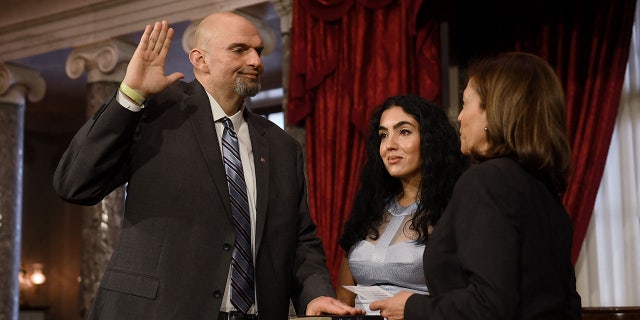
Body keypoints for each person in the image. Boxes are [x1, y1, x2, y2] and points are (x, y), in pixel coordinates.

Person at [53, 12, 363, 319]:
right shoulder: (155, 113)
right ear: (200, 60)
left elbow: (300, 240)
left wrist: (317, 294)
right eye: (240, 50)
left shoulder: (282, 147)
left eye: (259, 51)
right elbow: (74, 183)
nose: (256, 61)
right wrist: (131, 95)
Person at [369, 52, 582, 319]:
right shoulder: (543, 189)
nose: (458, 117)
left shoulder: (486, 181)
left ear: (494, 111)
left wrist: (412, 307)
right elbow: (568, 303)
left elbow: (490, 304)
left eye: (465, 103)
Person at [336, 95, 468, 314]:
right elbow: (343, 298)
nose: (389, 145)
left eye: (404, 132)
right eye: (383, 135)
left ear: (431, 139)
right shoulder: (369, 207)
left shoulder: (454, 207)